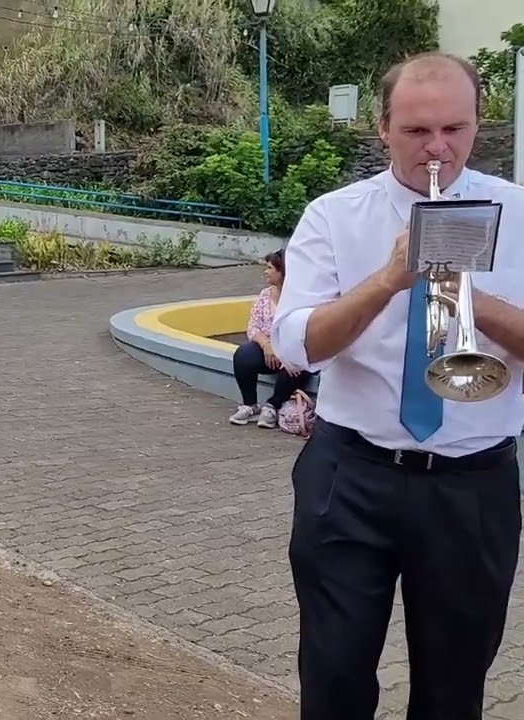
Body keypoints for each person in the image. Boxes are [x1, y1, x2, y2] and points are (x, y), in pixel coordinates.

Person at [271, 51, 524, 720]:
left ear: (478, 125)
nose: (437, 148)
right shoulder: (334, 216)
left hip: (473, 483)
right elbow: (297, 344)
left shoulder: (519, 213)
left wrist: (468, 294)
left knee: (453, 689)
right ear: (381, 128)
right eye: (416, 131)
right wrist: (391, 278)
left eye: (455, 129)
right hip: (351, 475)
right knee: (334, 677)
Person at [228, 249, 311, 427]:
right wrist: (266, 345)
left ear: (283, 272)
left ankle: (273, 405)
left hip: (292, 351)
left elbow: (306, 331)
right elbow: (253, 326)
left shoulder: (303, 298)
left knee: (296, 364)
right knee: (243, 355)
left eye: (269, 268)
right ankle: (250, 405)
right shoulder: (265, 295)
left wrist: (285, 352)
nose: (265, 272)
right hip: (269, 351)